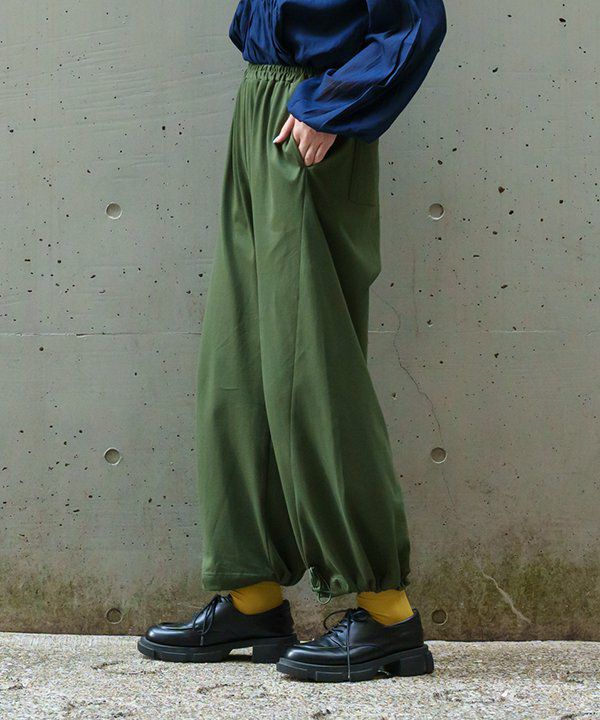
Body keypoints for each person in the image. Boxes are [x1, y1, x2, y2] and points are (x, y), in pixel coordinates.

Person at [138, 0, 447, 683]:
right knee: (238, 365)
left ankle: (387, 613)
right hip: (258, 105)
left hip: (312, 118)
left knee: (313, 369)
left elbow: (414, 23)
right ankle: (252, 599)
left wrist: (331, 106)